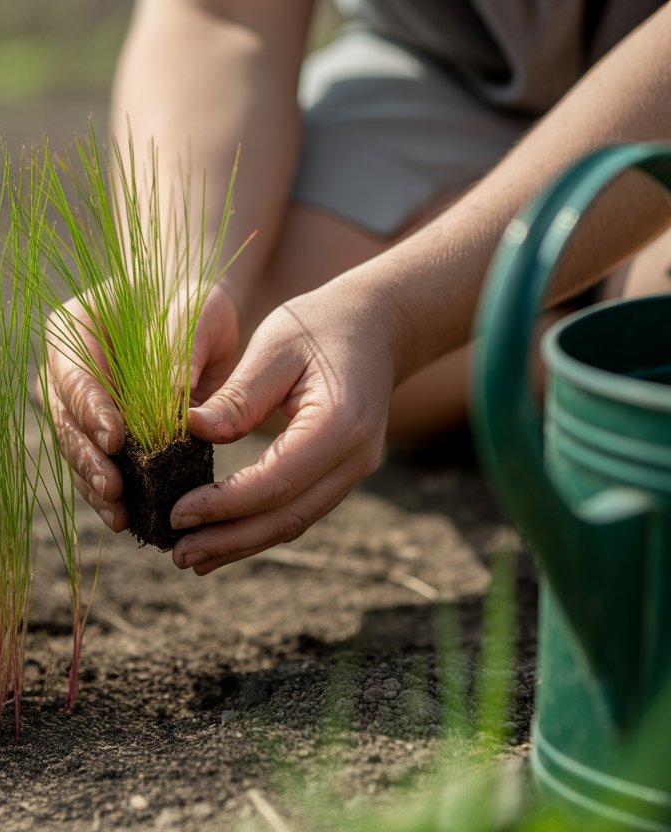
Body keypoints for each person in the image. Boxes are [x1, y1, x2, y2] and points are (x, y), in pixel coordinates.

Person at [44, 0, 671, 575]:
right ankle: (582, 340)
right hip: (447, 78)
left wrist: (397, 312)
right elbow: (224, 15)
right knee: (255, 322)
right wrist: (180, 276)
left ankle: (576, 326)